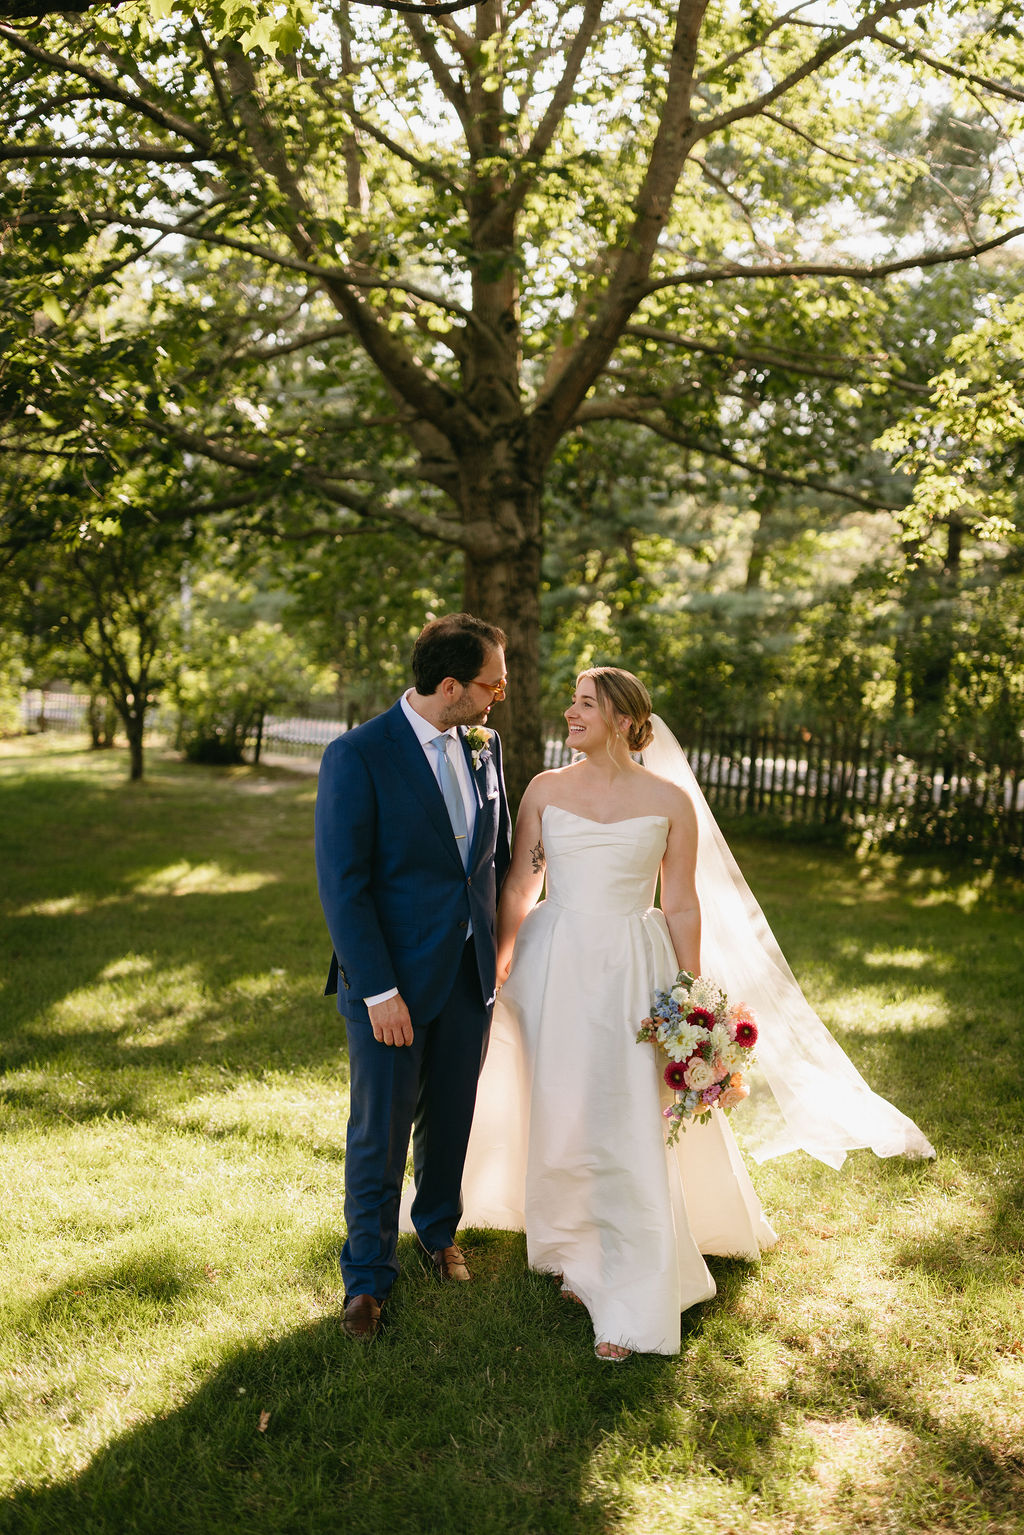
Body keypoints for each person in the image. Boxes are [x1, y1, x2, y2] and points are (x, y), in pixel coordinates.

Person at [459, 666, 934, 1360]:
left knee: (624, 1111)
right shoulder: (545, 789)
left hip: (632, 965)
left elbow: (680, 901)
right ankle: (570, 1243)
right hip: (553, 961)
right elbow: (520, 884)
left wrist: (691, 995)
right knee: (559, 1102)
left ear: (624, 719)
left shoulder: (669, 800)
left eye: (585, 703)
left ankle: (631, 1282)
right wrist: (502, 962)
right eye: (572, 701)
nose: (570, 712)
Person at [315, 613, 511, 1342]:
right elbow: (345, 885)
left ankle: (436, 1231)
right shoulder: (358, 755)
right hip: (389, 985)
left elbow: (491, 862)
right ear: (451, 685)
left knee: (451, 1116)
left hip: (468, 973)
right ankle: (367, 1280)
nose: (499, 697)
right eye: (492, 685)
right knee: (380, 1132)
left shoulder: (486, 748)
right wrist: (378, 991)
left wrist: (497, 953)